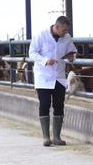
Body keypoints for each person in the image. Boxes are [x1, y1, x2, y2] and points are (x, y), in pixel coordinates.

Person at [29, 16, 77, 146]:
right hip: (43, 76)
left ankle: (56, 137)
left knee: (59, 105)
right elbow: (32, 53)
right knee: (44, 104)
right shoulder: (41, 35)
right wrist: (45, 60)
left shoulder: (67, 37)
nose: (66, 32)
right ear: (56, 27)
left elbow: (72, 50)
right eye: (64, 30)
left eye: (67, 30)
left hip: (59, 77)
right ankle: (46, 137)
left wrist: (72, 56)